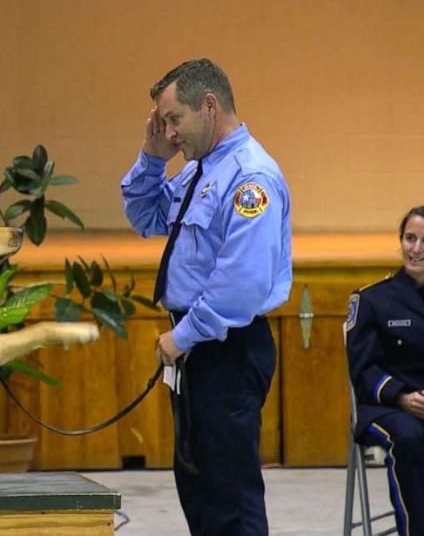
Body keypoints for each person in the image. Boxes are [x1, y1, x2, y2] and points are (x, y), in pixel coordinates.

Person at [120, 58, 292, 535]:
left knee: (230, 496)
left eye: (174, 119)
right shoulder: (203, 170)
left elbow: (242, 284)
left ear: (209, 107)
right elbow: (147, 218)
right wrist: (152, 158)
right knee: (200, 488)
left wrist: (183, 336)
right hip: (199, 345)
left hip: (225, 347)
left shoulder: (249, 178)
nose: (170, 132)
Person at [346, 205, 424, 536]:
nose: (416, 249)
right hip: (385, 407)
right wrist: (402, 396)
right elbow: (362, 368)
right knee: (409, 438)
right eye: (410, 239)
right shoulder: (373, 300)